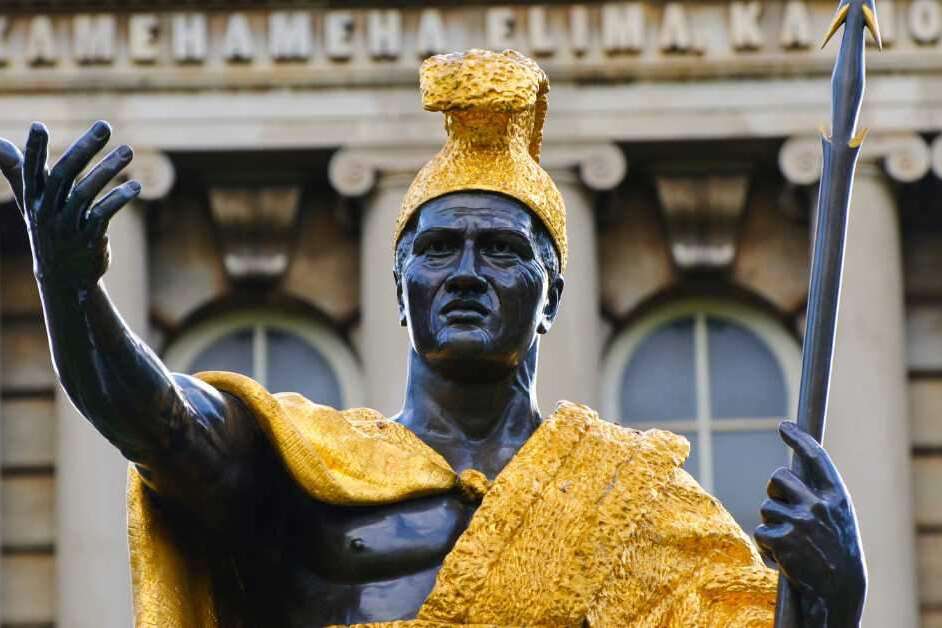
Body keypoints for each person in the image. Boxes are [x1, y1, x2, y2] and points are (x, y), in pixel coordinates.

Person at [0, 49, 864, 627]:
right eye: (439, 247)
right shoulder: (309, 460)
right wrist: (71, 289)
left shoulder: (633, 500)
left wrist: (833, 594)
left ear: (552, 292)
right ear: (400, 285)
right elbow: (155, 424)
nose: (465, 271)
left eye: (501, 249)